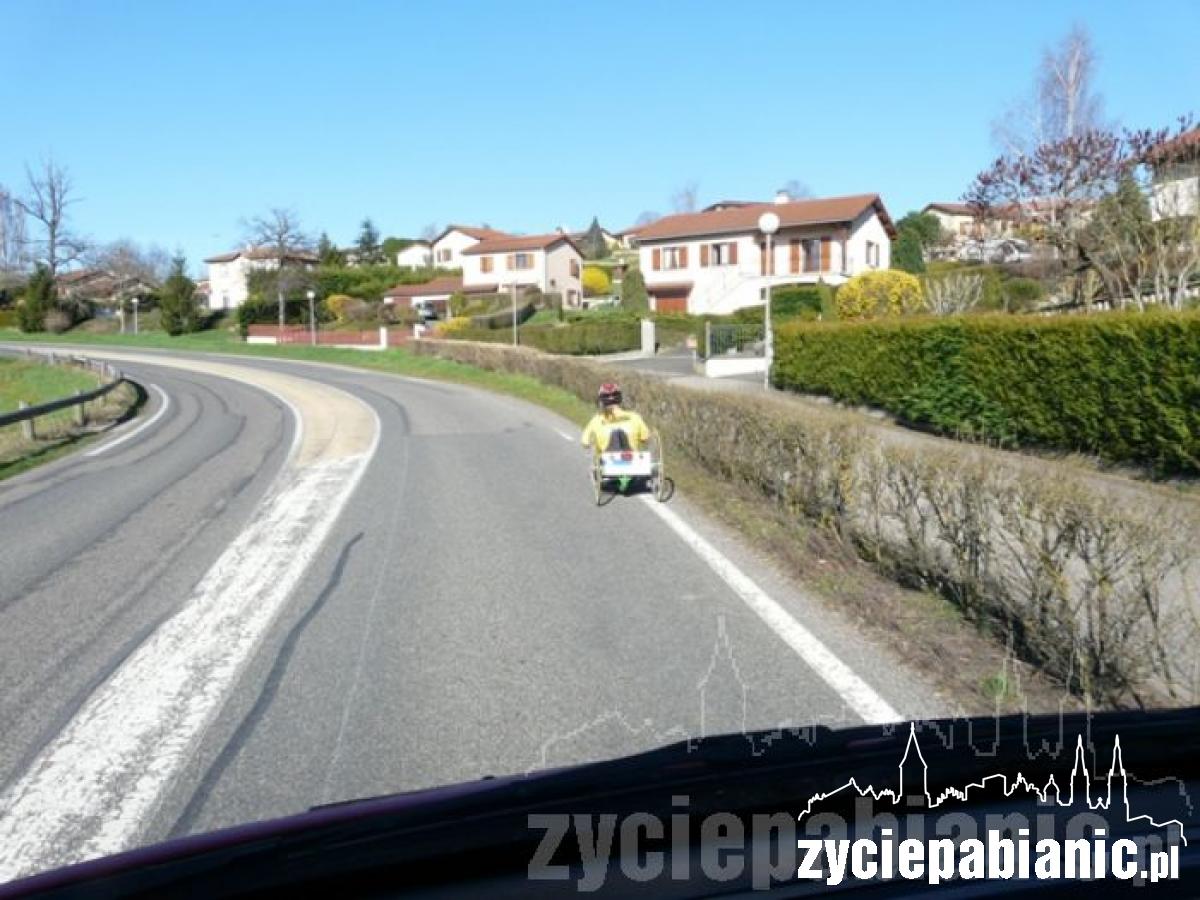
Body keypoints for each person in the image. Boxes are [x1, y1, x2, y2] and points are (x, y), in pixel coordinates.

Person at [580, 382, 650, 454]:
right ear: (620, 399)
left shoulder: (596, 420)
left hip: (605, 458)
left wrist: (591, 444)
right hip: (632, 458)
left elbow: (585, 441)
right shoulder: (634, 417)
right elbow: (645, 438)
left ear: (601, 401)